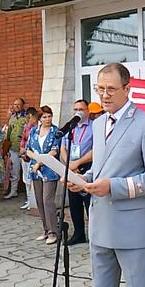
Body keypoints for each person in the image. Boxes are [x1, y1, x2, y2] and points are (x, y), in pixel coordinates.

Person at [66, 63, 145, 287]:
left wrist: (114, 186)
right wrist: (85, 179)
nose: (104, 95)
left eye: (111, 89)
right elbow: (104, 167)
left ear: (127, 88)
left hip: (131, 229)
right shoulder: (99, 123)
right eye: (100, 89)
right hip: (99, 226)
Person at [60, 99, 93, 245]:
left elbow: (97, 149)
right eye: (75, 109)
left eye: (81, 109)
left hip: (88, 167)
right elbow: (63, 148)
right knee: (74, 203)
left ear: (87, 111)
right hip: (71, 167)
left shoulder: (94, 127)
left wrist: (78, 163)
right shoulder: (71, 127)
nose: (78, 111)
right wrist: (70, 165)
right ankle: (78, 233)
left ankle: (94, 235)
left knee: (89, 203)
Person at [27, 105, 61, 245]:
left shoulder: (55, 131)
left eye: (49, 116)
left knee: (48, 200)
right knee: (40, 201)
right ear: (40, 119)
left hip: (49, 169)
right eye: (44, 117)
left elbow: (54, 151)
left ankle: (54, 231)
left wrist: (39, 162)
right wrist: (34, 160)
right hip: (36, 170)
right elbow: (28, 149)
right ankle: (46, 229)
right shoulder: (34, 131)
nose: (47, 119)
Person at [5, 98, 28, 199]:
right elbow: (8, 132)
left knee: (26, 172)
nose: (16, 106)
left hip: (23, 148)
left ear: (23, 105)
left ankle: (29, 196)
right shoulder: (12, 118)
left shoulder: (27, 117)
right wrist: (6, 146)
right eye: (15, 104)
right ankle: (13, 191)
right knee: (14, 171)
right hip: (13, 148)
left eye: (18, 104)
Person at [19, 107, 38, 210]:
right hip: (25, 155)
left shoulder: (37, 129)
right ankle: (28, 199)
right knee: (26, 179)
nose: (28, 119)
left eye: (29, 117)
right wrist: (22, 149)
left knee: (31, 179)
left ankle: (32, 200)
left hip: (32, 155)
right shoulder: (27, 127)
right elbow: (23, 139)